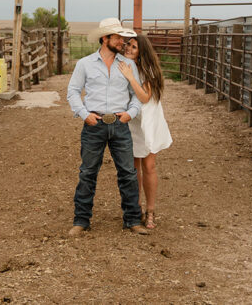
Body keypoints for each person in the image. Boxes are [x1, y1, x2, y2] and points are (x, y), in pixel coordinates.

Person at [66, 18, 149, 236]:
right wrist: (84, 115)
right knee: (87, 173)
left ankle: (132, 220)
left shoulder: (129, 65)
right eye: (118, 37)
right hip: (94, 124)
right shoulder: (84, 64)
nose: (122, 41)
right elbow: (73, 91)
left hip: (120, 125)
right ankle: (81, 221)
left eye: (123, 37)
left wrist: (130, 114)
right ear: (105, 39)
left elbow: (137, 96)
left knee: (128, 173)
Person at [117, 34, 172, 230]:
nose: (128, 49)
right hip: (133, 121)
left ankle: (151, 210)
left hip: (148, 121)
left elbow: (145, 97)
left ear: (142, 52)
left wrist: (130, 77)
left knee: (148, 165)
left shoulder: (148, 70)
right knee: (133, 167)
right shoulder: (125, 65)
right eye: (128, 45)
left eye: (134, 47)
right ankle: (135, 207)